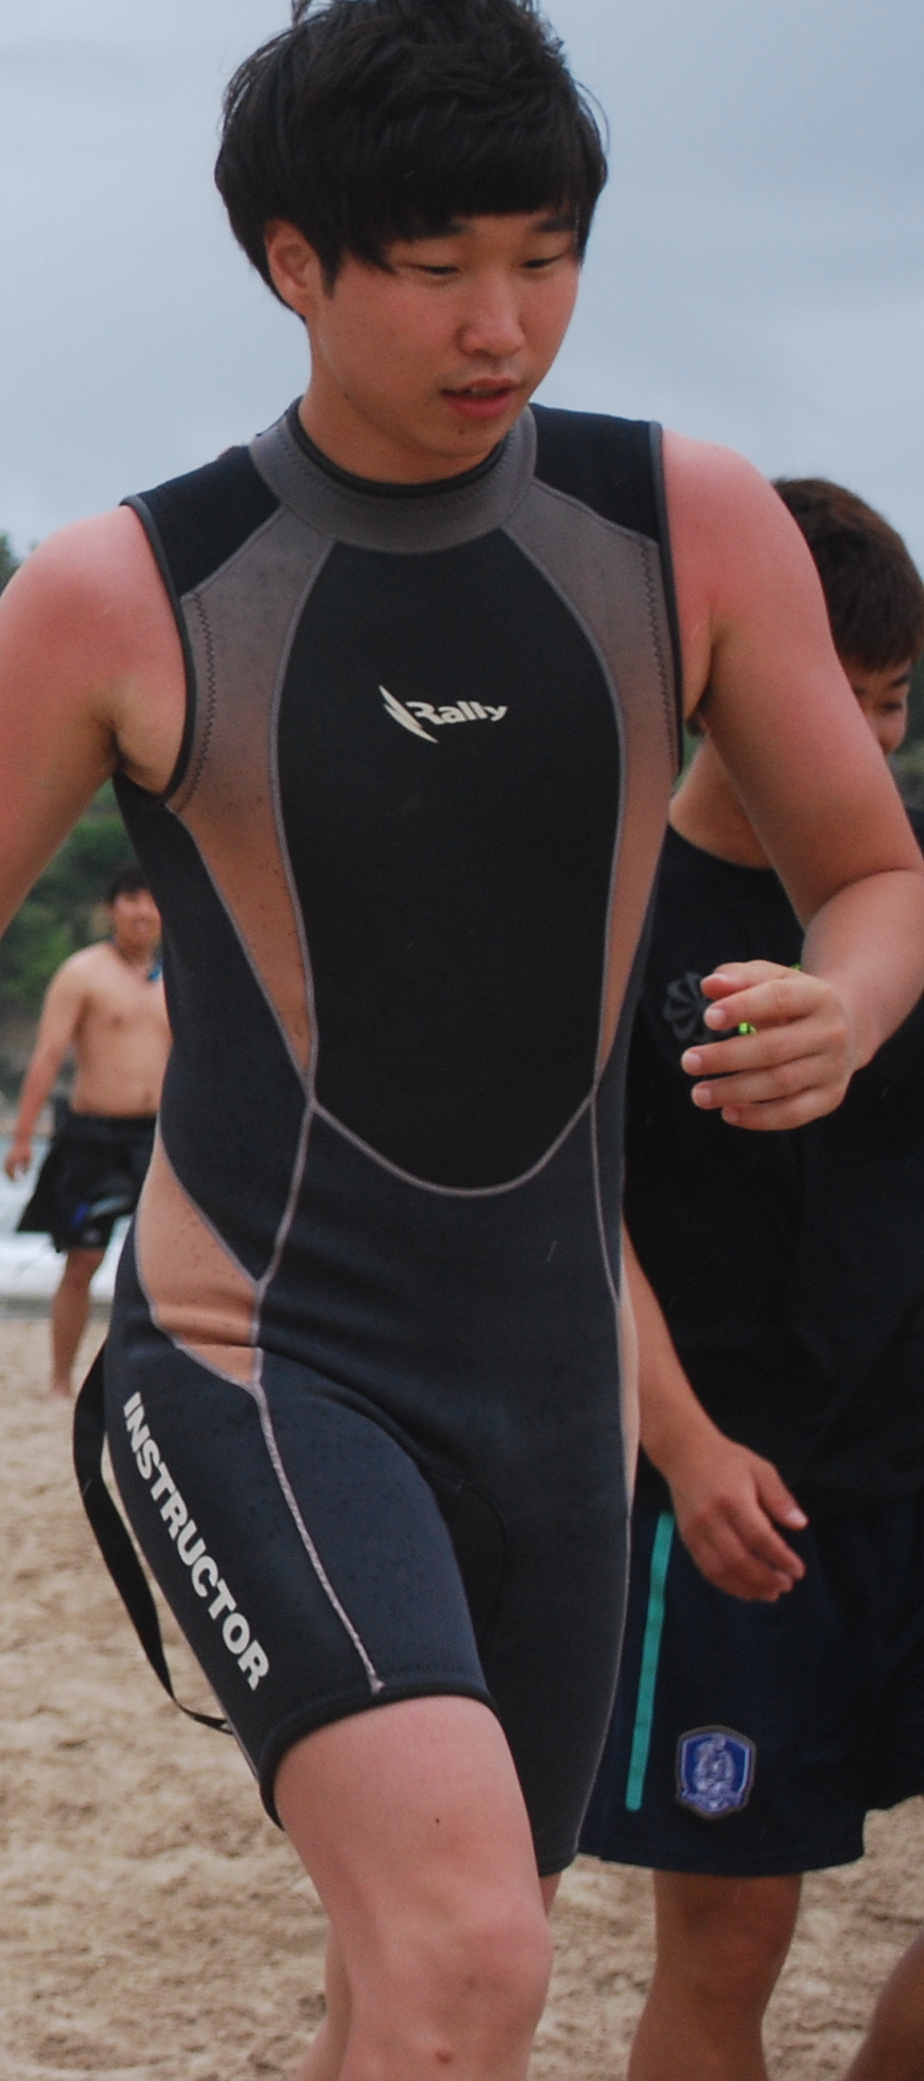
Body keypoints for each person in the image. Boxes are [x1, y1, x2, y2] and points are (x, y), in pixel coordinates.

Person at [0, 0, 924, 2081]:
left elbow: (872, 871)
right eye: (436, 267)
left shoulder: (685, 530)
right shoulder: (134, 591)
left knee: (417, 1982)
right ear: (291, 262)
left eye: (545, 259)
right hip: (251, 1359)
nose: (504, 326)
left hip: (554, 1394)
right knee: (473, 1954)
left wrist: (848, 1002)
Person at [578, 479, 924, 2081]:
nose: (868, 740)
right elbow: (570, 1214)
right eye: (835, 697)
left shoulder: (904, 896)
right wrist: (688, 1450)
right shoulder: (609, 901)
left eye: (893, 702)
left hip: (907, 1458)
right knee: (730, 1944)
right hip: (728, 1495)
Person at [4, 867, 169, 1397]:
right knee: (84, 1258)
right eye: (131, 900)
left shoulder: (181, 974)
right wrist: (23, 1135)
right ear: (111, 909)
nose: (143, 911)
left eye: (153, 900)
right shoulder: (83, 972)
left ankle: (153, 1379)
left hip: (161, 1138)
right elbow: (48, 1053)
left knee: (165, 1264)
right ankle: (60, 1379)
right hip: (94, 1137)